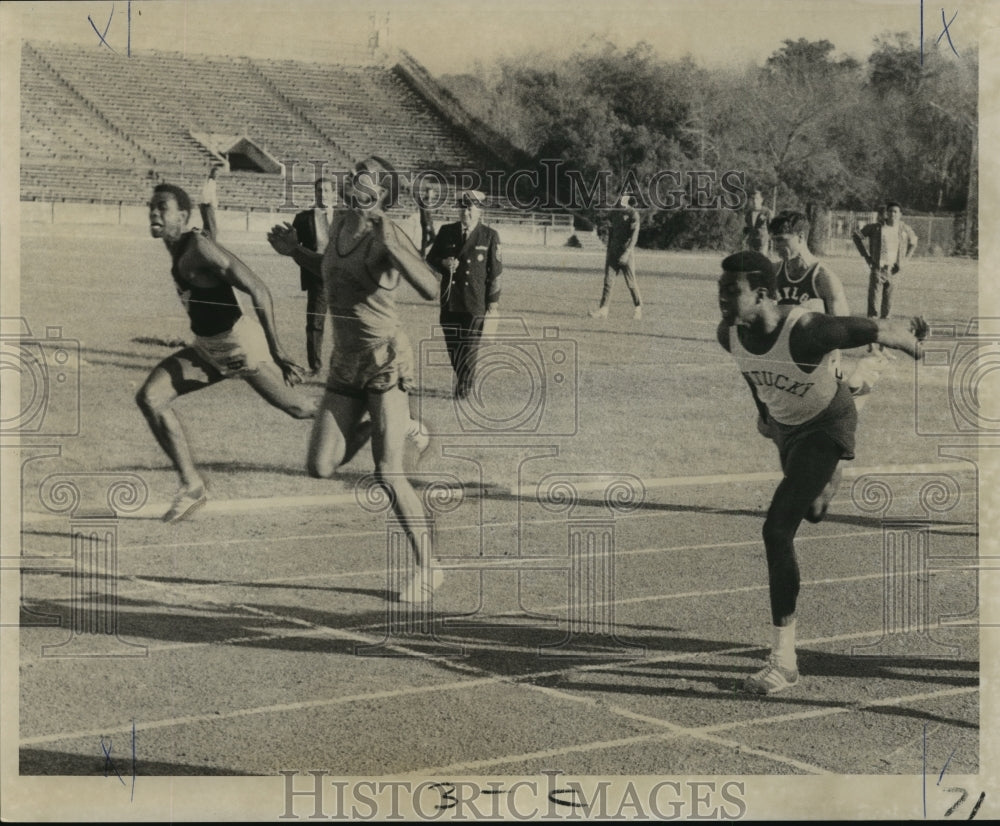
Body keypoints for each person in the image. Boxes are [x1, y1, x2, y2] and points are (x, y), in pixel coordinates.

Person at [716, 250, 927, 694]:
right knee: (812, 509)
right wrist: (764, 415)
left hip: (827, 424)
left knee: (777, 529)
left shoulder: (807, 331)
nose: (722, 299)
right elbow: (752, 372)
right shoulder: (728, 334)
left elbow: (871, 327)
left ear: (764, 294)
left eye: (732, 291)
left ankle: (784, 661)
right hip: (787, 428)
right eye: (719, 290)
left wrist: (902, 333)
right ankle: (833, 459)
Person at [266, 157, 442, 604]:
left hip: (385, 360)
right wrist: (295, 253)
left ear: (381, 192)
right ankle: (407, 429)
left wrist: (394, 245)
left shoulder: (389, 233)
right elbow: (330, 268)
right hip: (345, 360)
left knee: (388, 473)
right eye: (354, 173)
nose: (353, 179)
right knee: (321, 466)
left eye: (365, 176)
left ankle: (429, 567)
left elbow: (432, 287)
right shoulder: (340, 221)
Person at [137, 182, 316, 524]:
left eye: (162, 207)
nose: (154, 212)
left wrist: (277, 352)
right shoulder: (179, 247)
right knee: (150, 398)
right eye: (151, 206)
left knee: (300, 408)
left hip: (239, 346)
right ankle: (192, 487)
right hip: (207, 348)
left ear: (182, 215)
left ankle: (389, 419)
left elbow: (259, 289)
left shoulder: (197, 248)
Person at [426, 190, 503, 399]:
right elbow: (430, 258)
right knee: (453, 347)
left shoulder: (489, 236)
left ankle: (465, 387)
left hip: (475, 301)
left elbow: (495, 273)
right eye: (462, 207)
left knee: (469, 347)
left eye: (470, 208)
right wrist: (444, 262)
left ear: (479, 211)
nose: (465, 212)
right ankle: (463, 378)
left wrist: (493, 303)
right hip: (451, 300)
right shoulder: (446, 231)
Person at [852, 202, 919, 345]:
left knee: (887, 308)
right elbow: (857, 236)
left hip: (894, 271)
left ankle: (883, 344)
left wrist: (906, 259)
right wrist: (866, 256)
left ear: (900, 214)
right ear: (886, 213)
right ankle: (870, 341)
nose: (893, 214)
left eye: (896, 212)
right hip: (878, 269)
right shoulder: (877, 227)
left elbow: (914, 242)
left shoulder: (903, 228)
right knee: (873, 307)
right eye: (891, 211)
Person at [288, 177, 336, 375]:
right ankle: (314, 365)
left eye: (326, 190)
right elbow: (293, 248)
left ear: (333, 193)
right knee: (315, 322)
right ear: (314, 193)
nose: (323, 194)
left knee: (348, 321)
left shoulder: (346, 217)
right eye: (319, 190)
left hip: (344, 276)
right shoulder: (302, 219)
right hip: (317, 277)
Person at [589, 194, 642, 320]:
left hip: (625, 254)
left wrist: (628, 252)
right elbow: (609, 229)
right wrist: (608, 250)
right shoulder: (614, 213)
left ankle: (638, 308)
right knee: (608, 281)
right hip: (613, 252)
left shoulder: (633, 215)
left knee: (631, 283)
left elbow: (634, 236)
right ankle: (603, 310)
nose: (619, 202)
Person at [742, 189, 773, 255]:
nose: (754, 201)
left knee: (761, 262)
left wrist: (770, 246)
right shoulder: (749, 212)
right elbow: (747, 227)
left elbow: (771, 229)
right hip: (751, 243)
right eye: (752, 199)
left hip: (762, 243)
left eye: (757, 198)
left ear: (761, 200)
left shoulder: (766, 212)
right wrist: (743, 239)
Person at [417, 182, 439, 258]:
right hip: (425, 222)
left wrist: (431, 222)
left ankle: (421, 251)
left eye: (431, 193)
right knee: (426, 237)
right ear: (426, 193)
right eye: (429, 193)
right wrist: (427, 224)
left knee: (432, 238)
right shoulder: (424, 201)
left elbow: (429, 213)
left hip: (429, 222)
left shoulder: (429, 201)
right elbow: (423, 213)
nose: (431, 194)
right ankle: (422, 253)